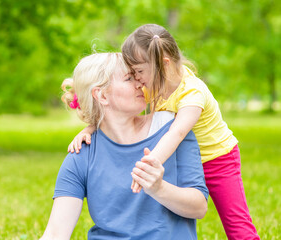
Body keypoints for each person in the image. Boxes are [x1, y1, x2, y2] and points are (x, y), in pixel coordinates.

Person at [70, 24, 260, 240]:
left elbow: (176, 133)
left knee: (236, 224)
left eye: (139, 72)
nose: (137, 79)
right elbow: (118, 114)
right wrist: (91, 127)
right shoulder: (155, 84)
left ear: (163, 64)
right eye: (132, 74)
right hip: (182, 159)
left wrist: (149, 164)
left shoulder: (192, 93)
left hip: (217, 160)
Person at [40, 53, 208, 240]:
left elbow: (199, 207)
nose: (140, 83)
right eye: (129, 78)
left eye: (138, 76)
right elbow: (56, 233)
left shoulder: (173, 130)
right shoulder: (82, 152)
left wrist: (159, 188)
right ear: (102, 95)